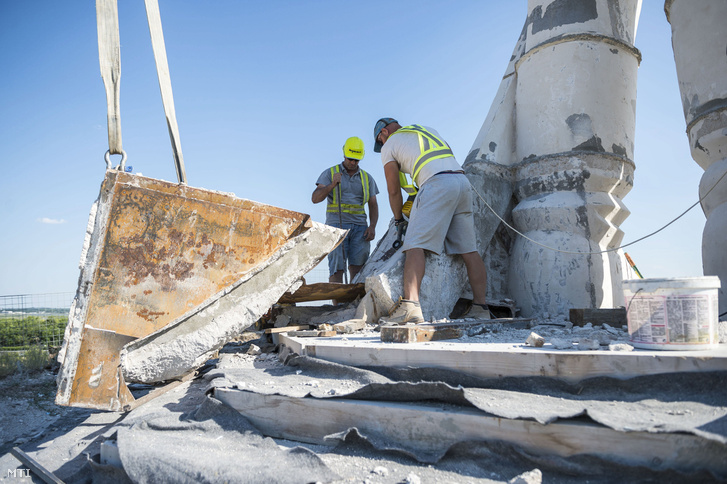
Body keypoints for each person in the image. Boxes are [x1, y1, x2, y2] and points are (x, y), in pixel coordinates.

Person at [373, 117, 490, 323]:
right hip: (461, 183)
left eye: (379, 140)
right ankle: (481, 307)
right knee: (469, 251)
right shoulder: (427, 130)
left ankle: (411, 307)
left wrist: (399, 219)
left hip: (436, 183)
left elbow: (393, 190)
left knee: (414, 245)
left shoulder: (389, 145)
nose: (381, 144)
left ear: (383, 133)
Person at [312, 136, 379, 284]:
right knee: (337, 268)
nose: (353, 163)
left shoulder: (367, 178)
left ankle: (353, 305)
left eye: (356, 160)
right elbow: (315, 199)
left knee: (359, 268)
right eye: (350, 159)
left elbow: (373, 204)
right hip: (336, 227)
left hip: (360, 229)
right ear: (344, 155)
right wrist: (332, 184)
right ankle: (337, 306)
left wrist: (372, 226)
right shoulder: (330, 173)